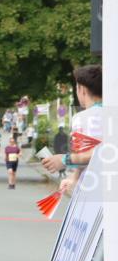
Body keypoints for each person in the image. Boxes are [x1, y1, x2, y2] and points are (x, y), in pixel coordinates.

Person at [42, 65, 103, 194]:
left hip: (92, 189)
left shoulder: (80, 118)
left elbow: (95, 152)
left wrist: (63, 160)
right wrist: (73, 177)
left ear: (82, 90)